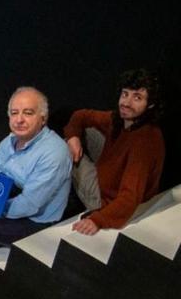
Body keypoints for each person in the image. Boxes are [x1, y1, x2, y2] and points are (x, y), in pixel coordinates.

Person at [0, 87, 72, 249]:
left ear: (43, 118)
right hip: (9, 198)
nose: (19, 119)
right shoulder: (10, 140)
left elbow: (30, 204)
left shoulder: (54, 152)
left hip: (37, 219)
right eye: (14, 113)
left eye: (28, 113)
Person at [64, 68, 165, 234]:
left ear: (150, 105)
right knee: (84, 132)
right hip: (110, 173)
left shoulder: (145, 141)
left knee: (61, 148)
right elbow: (81, 116)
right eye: (125, 94)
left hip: (106, 201)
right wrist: (73, 137)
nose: (126, 102)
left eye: (137, 98)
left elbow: (130, 197)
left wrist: (98, 220)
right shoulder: (119, 119)